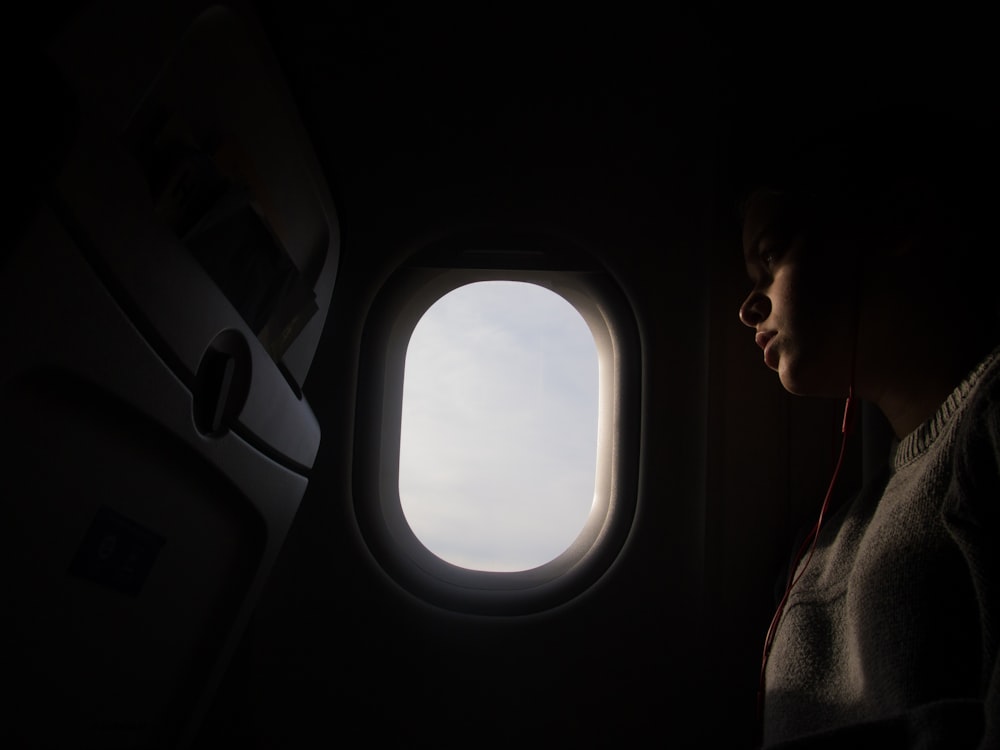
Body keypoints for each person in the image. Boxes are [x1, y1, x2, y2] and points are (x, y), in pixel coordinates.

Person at [736, 114, 1000, 749]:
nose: (748, 306)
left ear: (896, 224)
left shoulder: (986, 430)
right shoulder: (827, 535)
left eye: (771, 256)